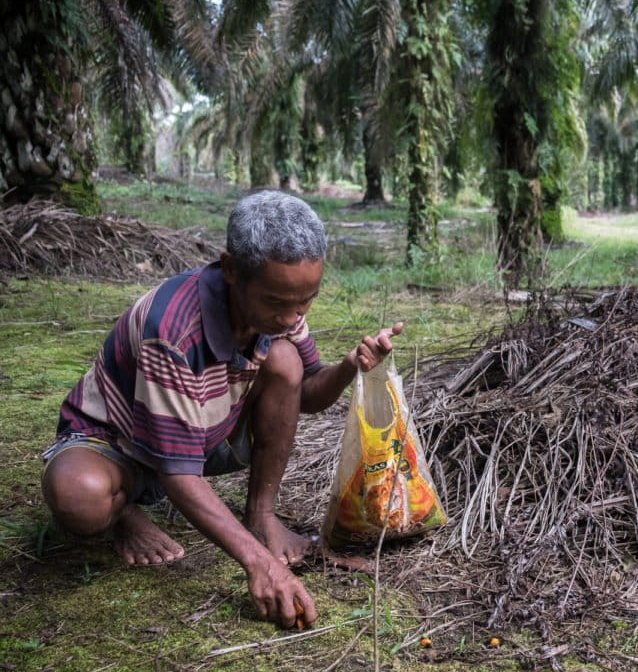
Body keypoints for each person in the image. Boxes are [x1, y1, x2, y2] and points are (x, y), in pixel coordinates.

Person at [41, 190, 401, 629]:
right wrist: (259, 565)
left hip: (195, 436)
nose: (292, 317)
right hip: (116, 443)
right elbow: (177, 471)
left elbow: (306, 393)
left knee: (284, 358)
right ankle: (124, 512)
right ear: (231, 270)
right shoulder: (170, 331)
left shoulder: (281, 301)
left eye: (305, 301)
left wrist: (350, 366)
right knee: (76, 496)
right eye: (277, 302)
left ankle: (261, 516)